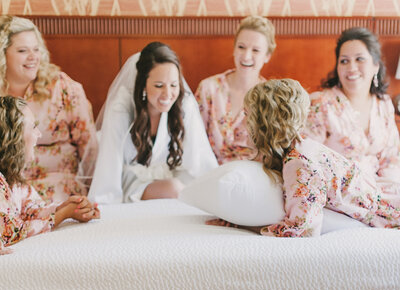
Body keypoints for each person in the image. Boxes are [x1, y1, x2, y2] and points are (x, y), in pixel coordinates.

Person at [208, 79, 400, 237]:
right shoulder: (295, 149)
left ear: (264, 125)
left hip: (391, 214)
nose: (240, 123)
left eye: (246, 115)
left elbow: (303, 230)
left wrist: (242, 227)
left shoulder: (300, 163)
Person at [89, 42, 218, 203]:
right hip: (130, 181)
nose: (168, 94)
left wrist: (216, 197)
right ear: (143, 85)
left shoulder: (184, 104)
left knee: (192, 191)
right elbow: (109, 168)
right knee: (175, 189)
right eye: (159, 86)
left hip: (171, 174)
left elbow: (200, 158)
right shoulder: (121, 108)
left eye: (173, 85)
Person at [0, 15, 98, 204]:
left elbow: (90, 149)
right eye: (22, 50)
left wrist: (95, 193)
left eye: (36, 49)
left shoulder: (63, 88)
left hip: (57, 184)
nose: (33, 57)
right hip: (7, 188)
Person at [303, 27, 400, 207]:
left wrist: (386, 195)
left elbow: (391, 160)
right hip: (335, 197)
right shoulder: (321, 104)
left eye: (359, 59)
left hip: (378, 195)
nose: (351, 67)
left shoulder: (384, 104)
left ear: (375, 66)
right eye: (344, 61)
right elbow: (306, 160)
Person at [0, 96, 99, 255]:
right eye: (33, 127)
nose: (38, 134)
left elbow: (31, 210)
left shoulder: (16, 182)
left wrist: (70, 207)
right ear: (13, 138)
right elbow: (10, 231)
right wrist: (63, 215)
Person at [195, 15, 276, 164]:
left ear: (267, 56)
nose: (246, 56)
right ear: (233, 48)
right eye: (241, 47)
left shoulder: (270, 99)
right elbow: (194, 142)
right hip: (209, 175)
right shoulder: (209, 89)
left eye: (256, 50)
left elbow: (271, 153)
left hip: (252, 178)